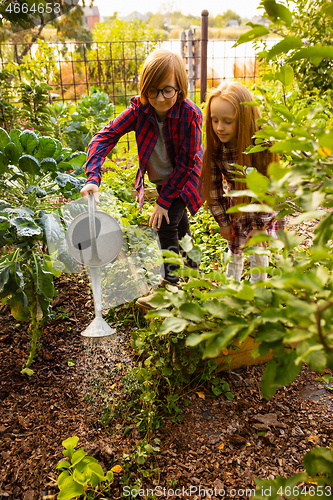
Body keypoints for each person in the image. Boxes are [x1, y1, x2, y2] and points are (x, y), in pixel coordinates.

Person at [80, 49, 203, 307]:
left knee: (165, 222)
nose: (159, 98)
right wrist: (93, 177)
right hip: (164, 179)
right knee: (180, 227)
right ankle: (195, 274)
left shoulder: (190, 114)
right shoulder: (139, 110)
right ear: (144, 89)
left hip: (186, 176)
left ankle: (169, 288)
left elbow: (187, 163)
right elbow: (103, 137)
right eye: (153, 91)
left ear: (180, 88)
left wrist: (163, 201)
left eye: (167, 90)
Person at [201, 81, 285, 282]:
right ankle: (233, 290)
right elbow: (213, 188)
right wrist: (223, 221)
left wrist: (261, 225)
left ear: (244, 119)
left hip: (263, 202)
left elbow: (270, 187)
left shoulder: (261, 144)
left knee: (258, 250)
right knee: (235, 248)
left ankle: (258, 295)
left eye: (228, 121)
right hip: (237, 204)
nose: (219, 127)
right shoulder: (215, 147)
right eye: (214, 120)